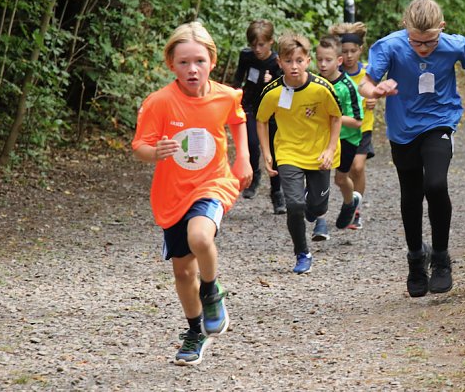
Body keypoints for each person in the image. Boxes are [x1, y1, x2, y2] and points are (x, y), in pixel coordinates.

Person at [131, 21, 253, 366]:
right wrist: (154, 152)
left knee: (200, 235)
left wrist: (242, 158)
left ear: (211, 61)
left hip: (213, 182)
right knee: (184, 273)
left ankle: (212, 292)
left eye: (199, 61)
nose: (192, 69)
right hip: (171, 194)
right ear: (171, 64)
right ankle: (194, 331)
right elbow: (139, 145)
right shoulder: (160, 102)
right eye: (183, 62)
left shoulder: (225, 95)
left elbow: (237, 119)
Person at [357, 0, 465, 298]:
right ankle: (416, 258)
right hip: (403, 129)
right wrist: (377, 89)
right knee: (411, 193)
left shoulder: (452, 43)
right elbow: (364, 82)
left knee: (435, 184)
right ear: (406, 28)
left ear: (441, 28)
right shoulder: (391, 45)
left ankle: (442, 258)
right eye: (416, 42)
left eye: (429, 42)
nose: (423, 49)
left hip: (439, 121)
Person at [256, 33, 342, 274]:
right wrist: (266, 152)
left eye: (299, 60)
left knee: (315, 208)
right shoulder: (272, 91)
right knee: (294, 205)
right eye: (288, 61)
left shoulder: (322, 89)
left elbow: (336, 117)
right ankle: (302, 253)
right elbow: (261, 120)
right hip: (288, 153)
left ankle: (312, 205)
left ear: (308, 61)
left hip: (319, 156)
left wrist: (329, 149)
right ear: (279, 62)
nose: (294, 66)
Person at [231, 19, 286, 214]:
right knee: (252, 143)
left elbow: (287, 85)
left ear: (271, 42)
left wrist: (275, 80)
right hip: (250, 106)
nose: (257, 49)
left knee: (273, 150)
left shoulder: (278, 61)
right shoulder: (246, 56)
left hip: (272, 110)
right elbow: (238, 78)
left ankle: (277, 193)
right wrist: (233, 96)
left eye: (261, 45)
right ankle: (254, 175)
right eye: (253, 45)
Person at [314, 35, 365, 235]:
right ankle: (320, 220)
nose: (323, 64)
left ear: (339, 61)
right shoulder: (315, 83)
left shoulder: (348, 87)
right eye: (320, 60)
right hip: (322, 139)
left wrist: (334, 118)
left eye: (328, 60)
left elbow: (358, 121)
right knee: (319, 177)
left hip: (347, 139)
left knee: (340, 179)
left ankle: (350, 202)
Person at [330, 21, 375, 230]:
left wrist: (375, 99)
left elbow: (375, 91)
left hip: (363, 126)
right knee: (343, 174)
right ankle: (349, 202)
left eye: (353, 51)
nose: (349, 56)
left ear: (360, 50)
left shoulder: (368, 72)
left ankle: (356, 211)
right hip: (340, 130)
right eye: (345, 52)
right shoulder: (334, 72)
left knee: (358, 168)